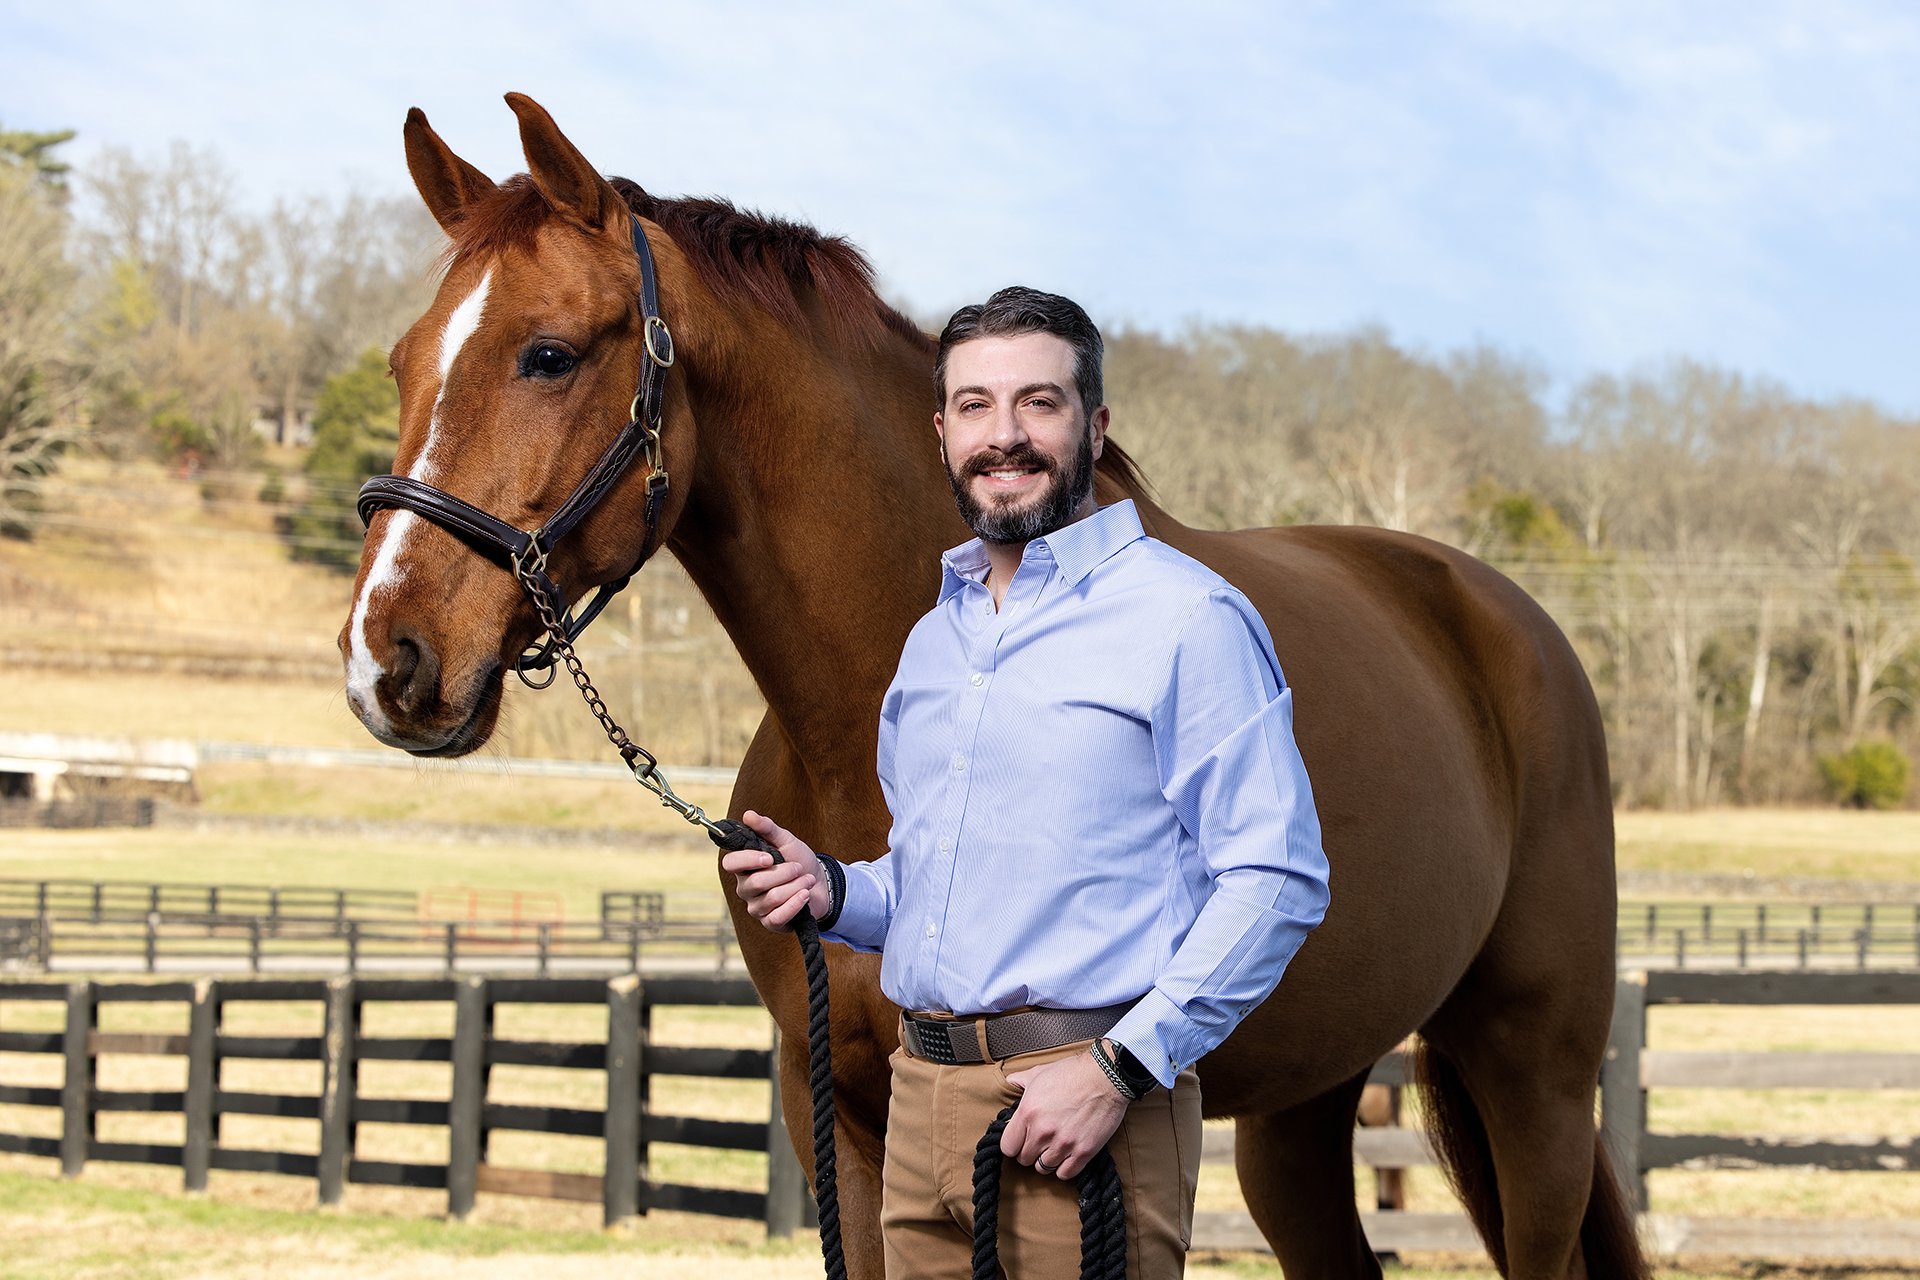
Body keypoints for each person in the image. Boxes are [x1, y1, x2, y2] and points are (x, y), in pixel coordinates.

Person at [723, 286, 1330, 1277]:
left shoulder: (1186, 617)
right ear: (941, 430)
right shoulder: (935, 642)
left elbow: (1278, 876)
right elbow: (937, 882)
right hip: (922, 1109)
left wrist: (1120, 1066)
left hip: (1080, 1109)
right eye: (974, 406)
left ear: (1095, 424)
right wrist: (841, 890)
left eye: (1037, 403)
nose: (1003, 436)